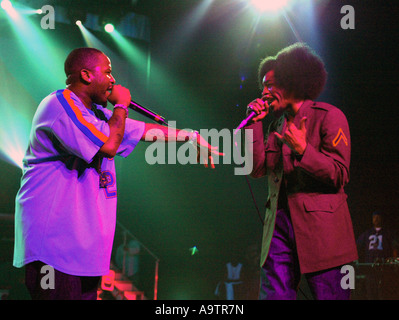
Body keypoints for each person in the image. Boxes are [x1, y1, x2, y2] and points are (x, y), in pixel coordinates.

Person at [13, 47, 222, 300]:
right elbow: (109, 146)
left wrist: (190, 136)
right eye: (108, 72)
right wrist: (122, 104)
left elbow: (142, 130)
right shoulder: (60, 104)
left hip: (82, 254)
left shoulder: (97, 114)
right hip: (54, 251)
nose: (113, 80)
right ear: (86, 75)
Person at [244, 42, 358, 300]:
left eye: (269, 85)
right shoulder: (275, 126)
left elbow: (339, 174)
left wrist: (304, 150)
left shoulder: (329, 116)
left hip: (324, 236)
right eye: (262, 86)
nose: (263, 92)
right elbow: (255, 168)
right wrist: (253, 125)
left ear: (291, 82)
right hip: (278, 231)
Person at [356, 211, 398, 299]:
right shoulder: (367, 233)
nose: (376, 219)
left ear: (381, 218)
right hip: (370, 266)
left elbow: (394, 247)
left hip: (384, 267)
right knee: (371, 291)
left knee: (383, 292)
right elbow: (357, 245)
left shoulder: (387, 233)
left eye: (378, 217)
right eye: (374, 217)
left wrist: (394, 262)